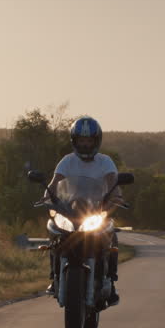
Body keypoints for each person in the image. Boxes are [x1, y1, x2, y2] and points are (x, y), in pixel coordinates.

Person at [43, 116, 122, 305]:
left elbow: (113, 183)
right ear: (74, 141)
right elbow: (54, 184)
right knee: (54, 234)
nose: (85, 144)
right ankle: (54, 277)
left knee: (111, 234)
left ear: (96, 141)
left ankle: (110, 282)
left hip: (96, 211)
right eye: (81, 140)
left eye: (89, 141)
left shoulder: (105, 162)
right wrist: (46, 197)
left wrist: (117, 196)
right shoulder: (67, 161)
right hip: (70, 211)